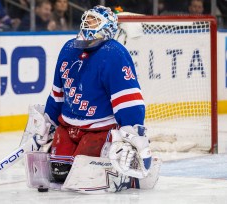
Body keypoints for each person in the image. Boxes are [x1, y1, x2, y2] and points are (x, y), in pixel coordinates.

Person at [33, 5, 159, 192]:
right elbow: (58, 93)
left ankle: (130, 178)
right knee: (59, 173)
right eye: (87, 19)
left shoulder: (113, 53)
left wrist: (133, 132)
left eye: (94, 21)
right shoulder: (68, 48)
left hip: (99, 129)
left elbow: (127, 99)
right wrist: (47, 121)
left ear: (107, 26)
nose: (88, 24)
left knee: (84, 177)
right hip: (68, 127)